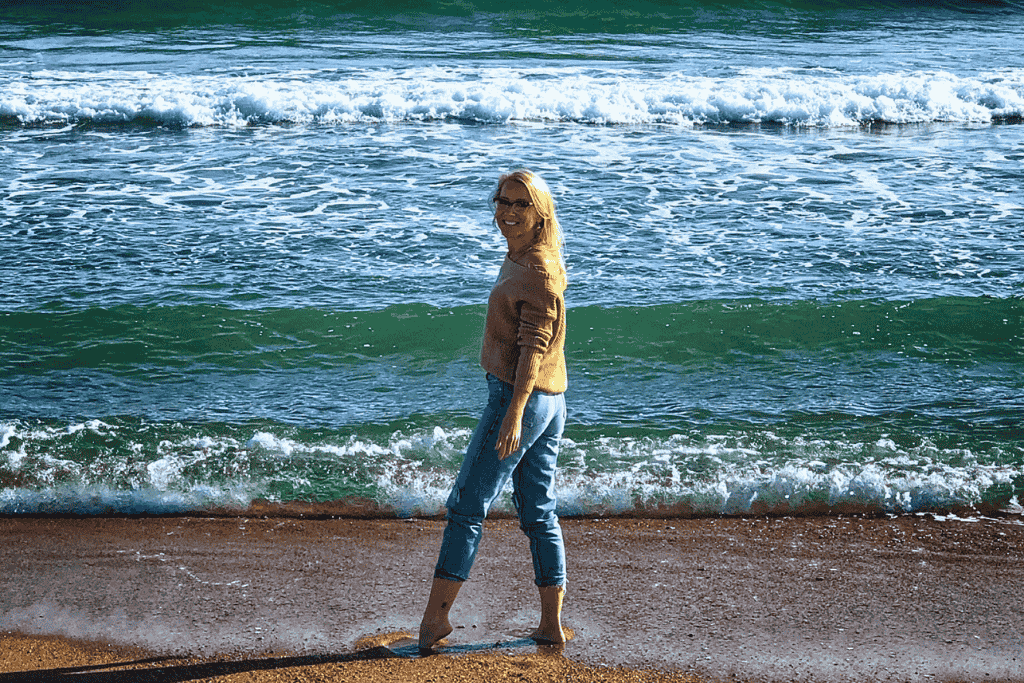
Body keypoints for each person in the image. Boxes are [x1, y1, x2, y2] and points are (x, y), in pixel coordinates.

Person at [418, 169, 569, 652]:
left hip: (519, 398)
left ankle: (434, 621)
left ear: (540, 212)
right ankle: (551, 625)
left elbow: (532, 350)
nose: (507, 212)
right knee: (538, 510)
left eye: (521, 204)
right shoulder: (527, 257)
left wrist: (513, 414)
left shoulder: (537, 270)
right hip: (551, 399)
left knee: (466, 507)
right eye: (502, 201)